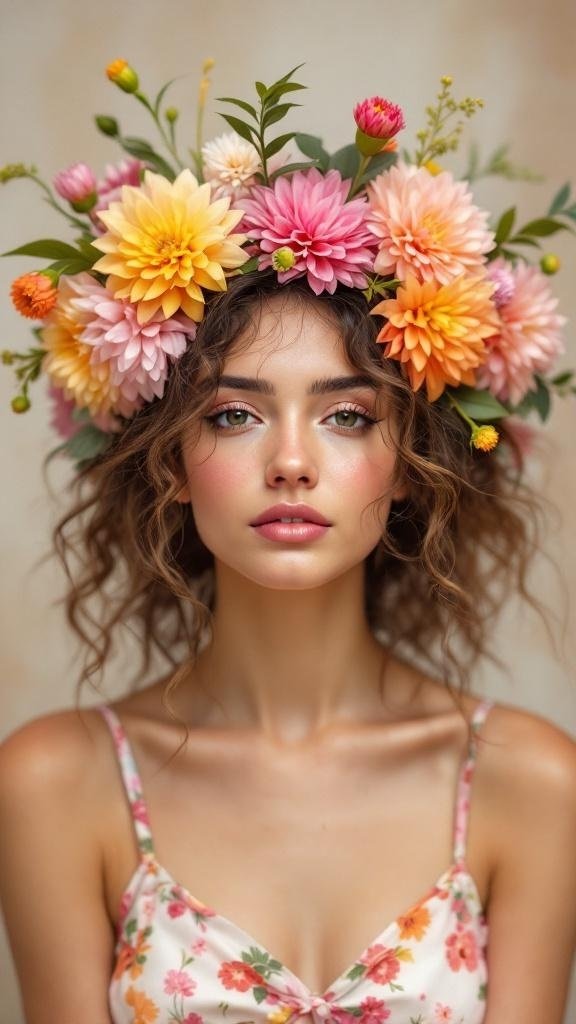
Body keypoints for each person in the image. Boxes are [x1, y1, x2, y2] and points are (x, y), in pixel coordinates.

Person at [1, 65, 575, 1024]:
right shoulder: (59, 783)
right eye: (234, 415)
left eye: (348, 417)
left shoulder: (529, 780)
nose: (293, 462)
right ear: (171, 461)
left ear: (408, 462)